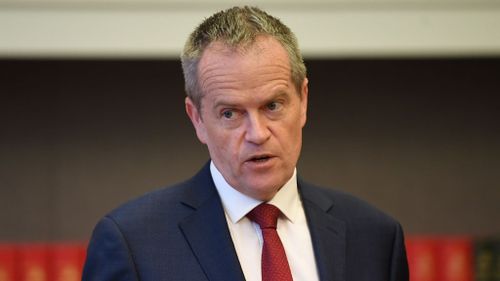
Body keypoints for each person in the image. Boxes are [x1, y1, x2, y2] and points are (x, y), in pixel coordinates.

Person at [82, 6, 408, 281]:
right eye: (230, 113)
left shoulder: (376, 236)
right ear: (196, 118)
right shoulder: (133, 242)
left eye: (273, 106)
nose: (258, 133)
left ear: (303, 100)